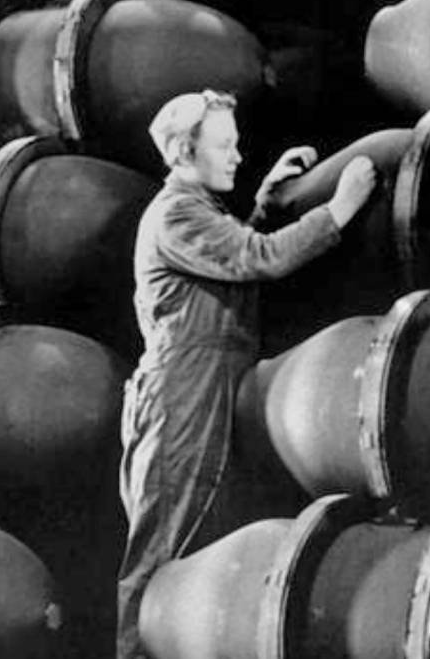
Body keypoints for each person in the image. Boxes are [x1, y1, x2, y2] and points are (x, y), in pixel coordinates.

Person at [116, 89, 376, 659]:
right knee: (163, 564)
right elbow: (257, 259)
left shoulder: (198, 212)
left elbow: (230, 260)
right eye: (225, 145)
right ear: (185, 153)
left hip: (210, 385)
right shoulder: (174, 213)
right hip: (183, 394)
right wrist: (338, 210)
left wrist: (261, 203)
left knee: (205, 561)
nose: (237, 155)